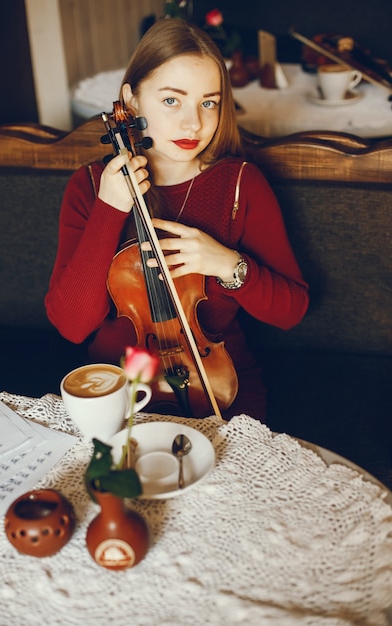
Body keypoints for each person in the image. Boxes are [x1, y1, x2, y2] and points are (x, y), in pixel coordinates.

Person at [45, 18, 309, 421]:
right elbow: (72, 325)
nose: (193, 123)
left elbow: (292, 311)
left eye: (209, 102)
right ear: (131, 102)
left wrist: (227, 264)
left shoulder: (241, 185)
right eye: (172, 100)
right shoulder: (89, 187)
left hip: (220, 388)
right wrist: (109, 210)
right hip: (115, 392)